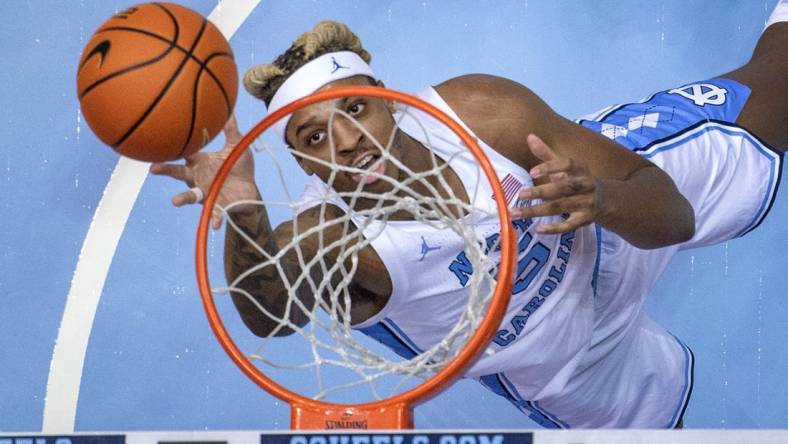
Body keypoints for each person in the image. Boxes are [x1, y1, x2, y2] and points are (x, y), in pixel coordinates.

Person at [150, 2, 787, 428]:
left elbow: (671, 215)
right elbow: (268, 318)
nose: (345, 141)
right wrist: (241, 209)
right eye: (313, 139)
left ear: (388, 103)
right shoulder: (330, 238)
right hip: (560, 357)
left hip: (601, 233)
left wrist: (603, 200)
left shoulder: (481, 112)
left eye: (355, 112)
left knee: (778, 85)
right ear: (304, 168)